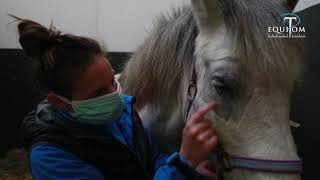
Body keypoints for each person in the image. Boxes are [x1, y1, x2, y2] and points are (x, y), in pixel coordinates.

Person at [15, 17, 218, 180]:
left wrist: (185, 168)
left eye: (112, 80)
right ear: (59, 102)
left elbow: (151, 160)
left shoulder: (123, 114)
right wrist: (183, 164)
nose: (115, 94)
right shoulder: (52, 157)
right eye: (98, 93)